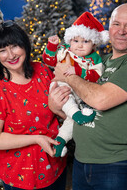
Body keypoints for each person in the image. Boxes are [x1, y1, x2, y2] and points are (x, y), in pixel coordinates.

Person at [49, 3, 127, 190]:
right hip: (81, 160)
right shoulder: (101, 61)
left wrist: (68, 75)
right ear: (109, 28)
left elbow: (100, 100)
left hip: (115, 164)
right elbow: (73, 105)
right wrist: (54, 103)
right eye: (116, 24)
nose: (121, 31)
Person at [0, 21, 67, 190]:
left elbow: (67, 112)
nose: (11, 55)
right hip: (20, 177)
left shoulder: (43, 71)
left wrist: (57, 109)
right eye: (2, 50)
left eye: (14, 46)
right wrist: (35, 138)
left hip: (55, 169)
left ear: (24, 46)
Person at [42, 12, 109, 157]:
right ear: (69, 40)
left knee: (71, 122)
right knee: (67, 97)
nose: (79, 45)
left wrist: (77, 70)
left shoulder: (94, 59)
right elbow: (48, 60)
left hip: (80, 92)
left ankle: (59, 143)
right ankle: (77, 114)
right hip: (62, 86)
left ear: (93, 43)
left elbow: (96, 75)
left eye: (85, 42)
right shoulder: (65, 51)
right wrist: (52, 46)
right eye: (76, 41)